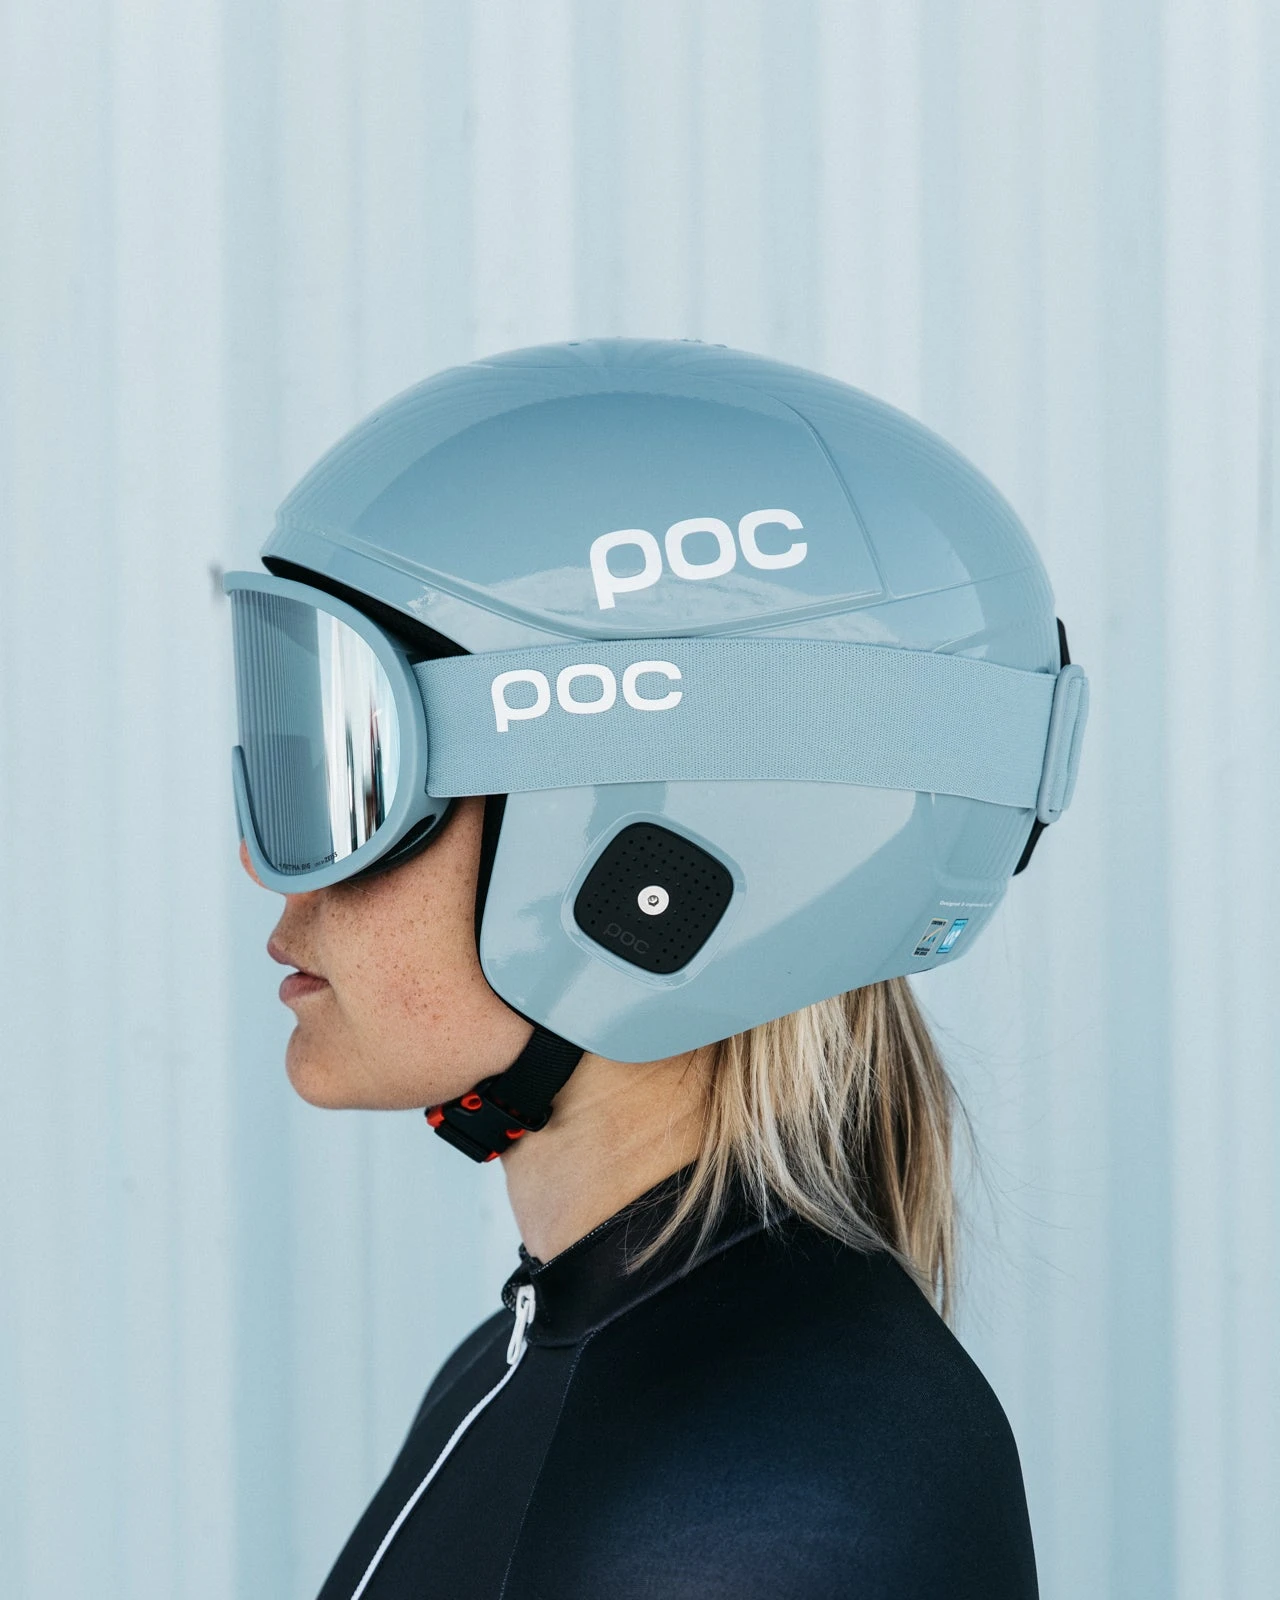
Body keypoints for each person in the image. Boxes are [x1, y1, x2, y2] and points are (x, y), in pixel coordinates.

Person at [227, 339, 1089, 1599]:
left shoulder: (770, 1492)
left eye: (355, 778)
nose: (272, 871)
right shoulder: (565, 1356)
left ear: (646, 871)